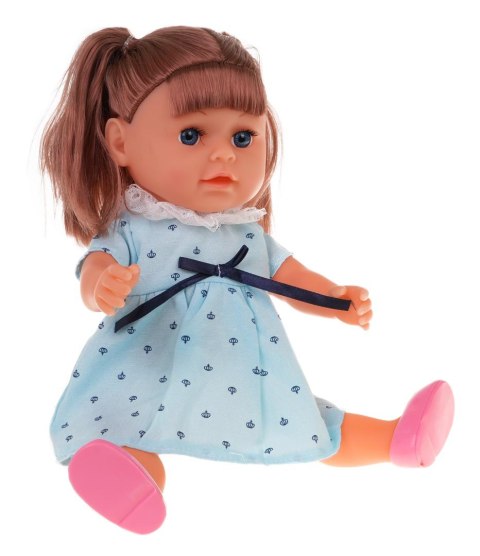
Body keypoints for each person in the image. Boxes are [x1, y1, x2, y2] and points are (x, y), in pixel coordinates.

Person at [41, 26, 454, 534]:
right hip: (151, 363)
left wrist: (332, 297)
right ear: (120, 142)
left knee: (302, 417)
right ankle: (132, 484)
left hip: (241, 366)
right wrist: (101, 284)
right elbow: (94, 264)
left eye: (242, 137)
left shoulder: (245, 232)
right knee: (128, 421)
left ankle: (398, 440)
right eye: (192, 135)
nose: (224, 155)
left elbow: (290, 277)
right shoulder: (136, 228)